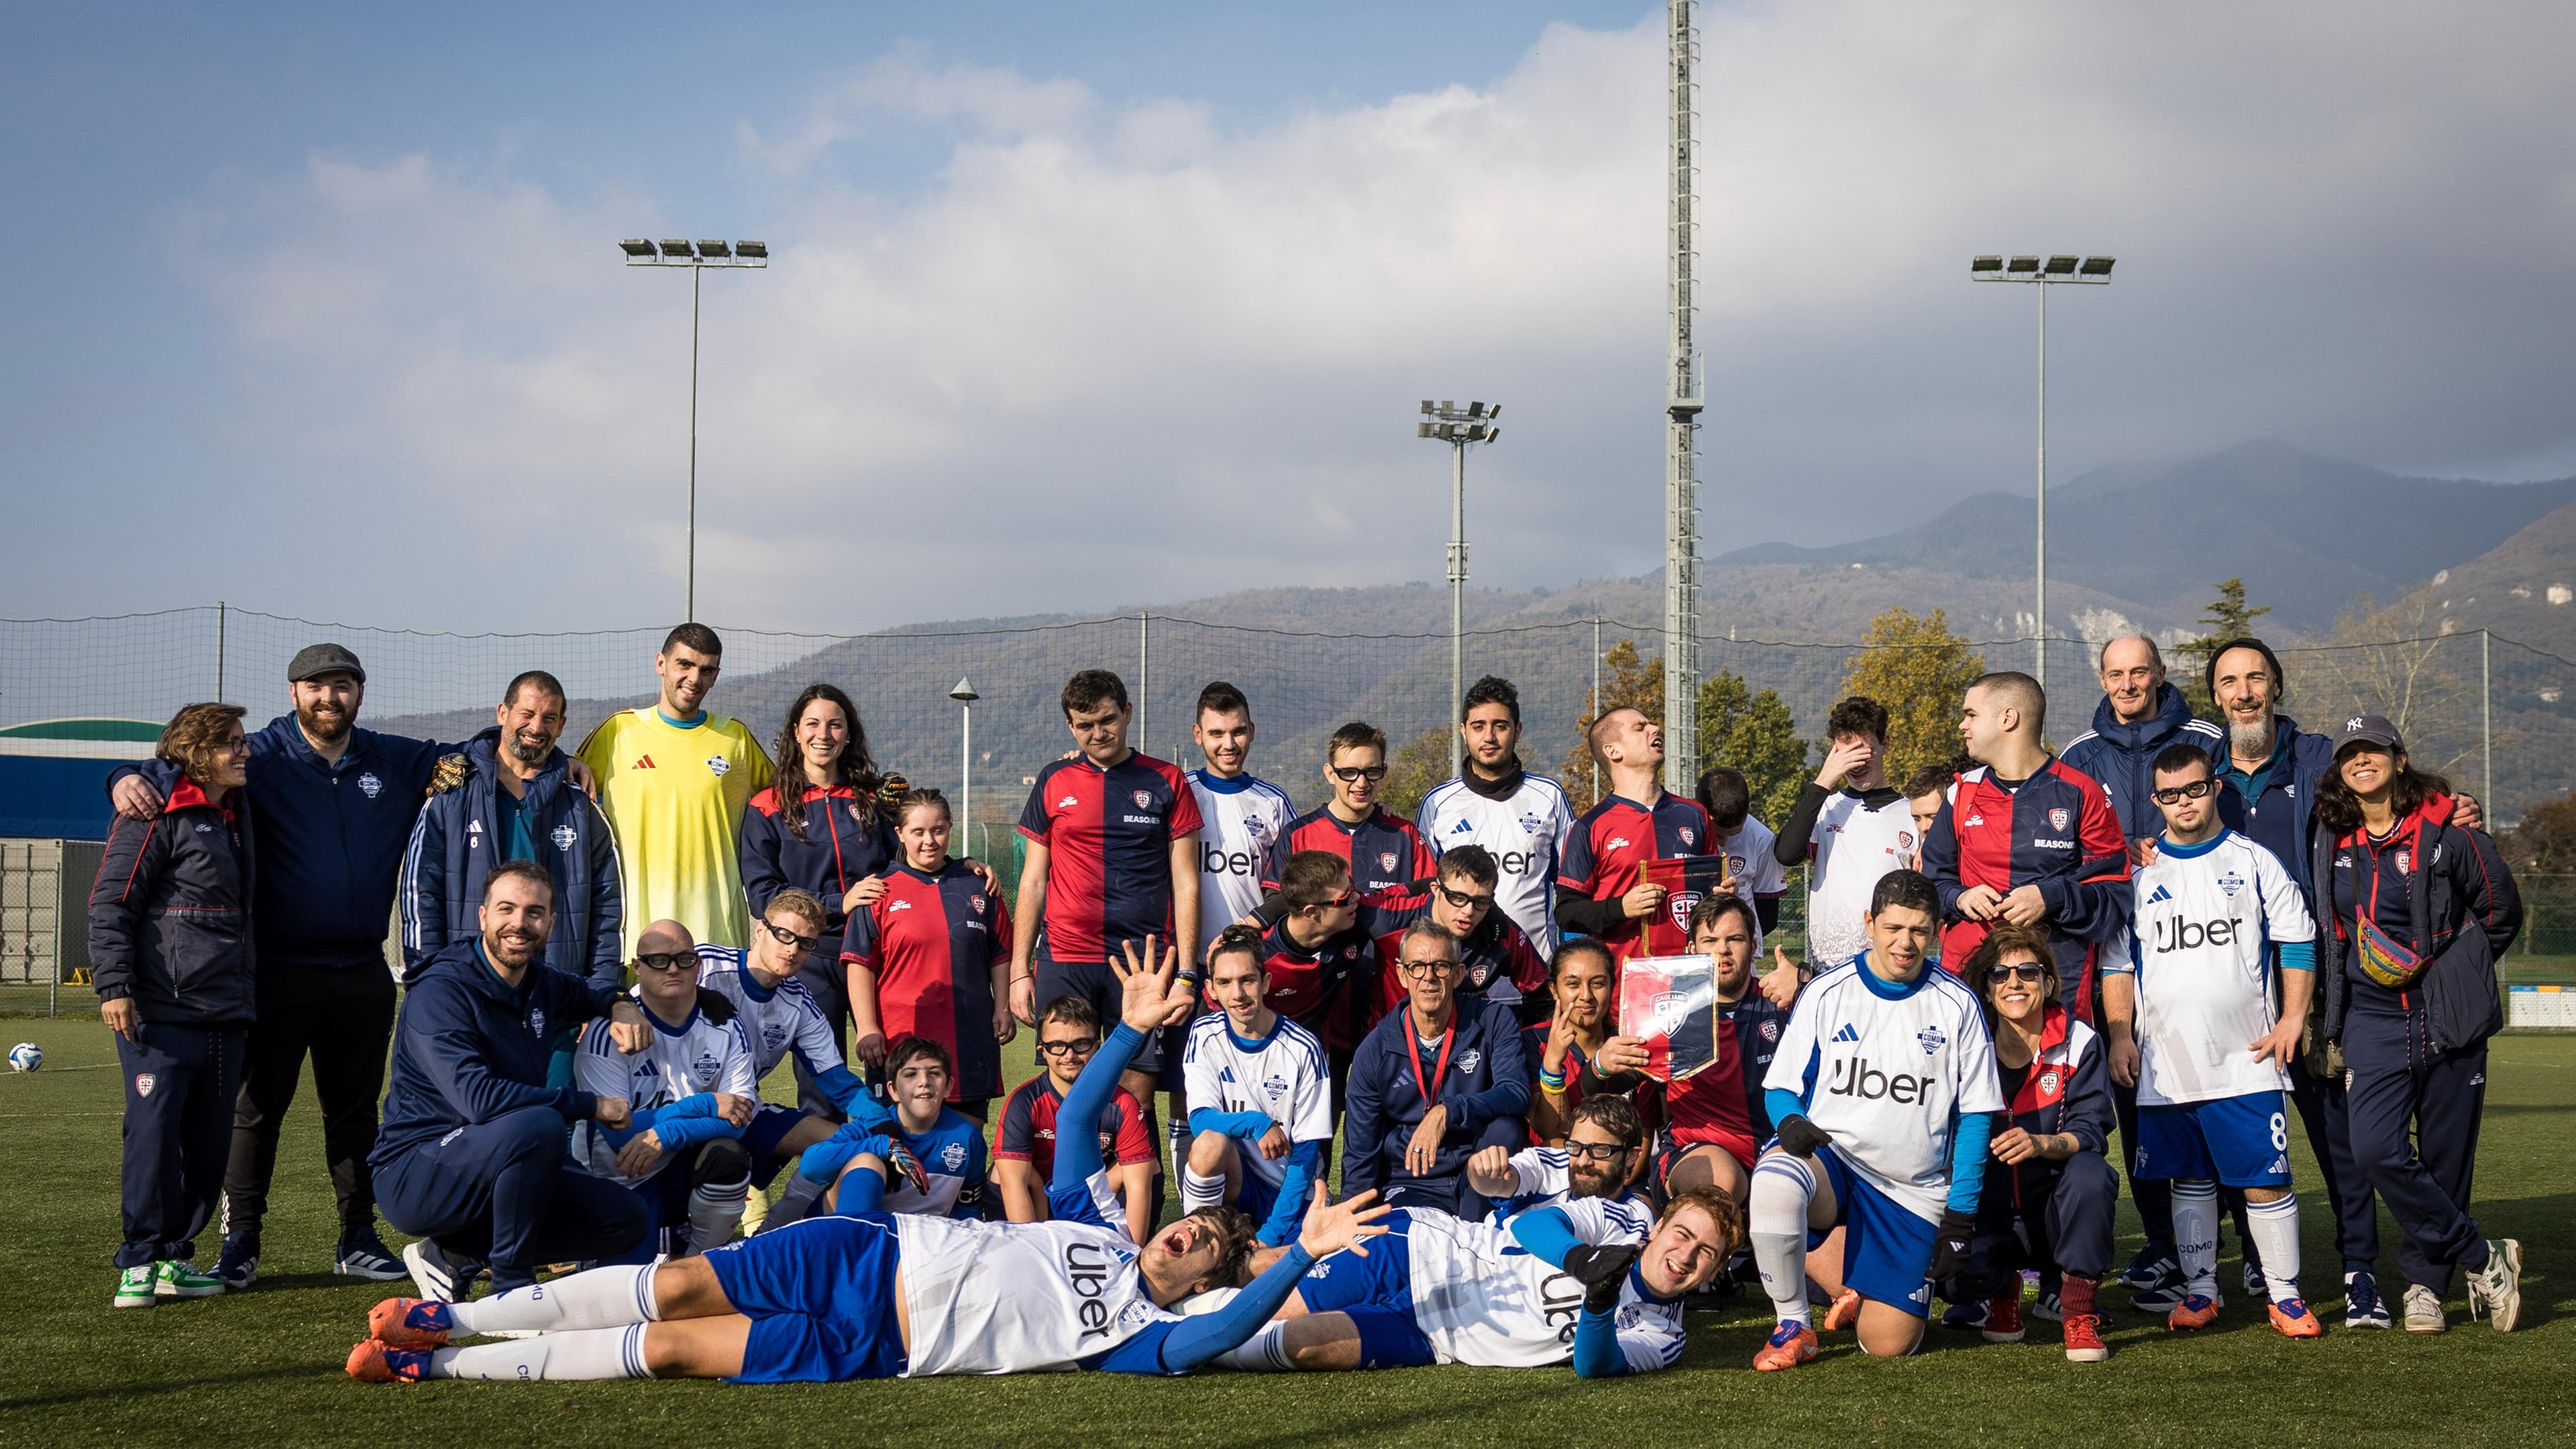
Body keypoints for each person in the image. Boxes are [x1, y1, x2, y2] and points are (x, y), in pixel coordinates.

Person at [347, 941, 1391, 1385]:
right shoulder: (1092, 1228)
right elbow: (1076, 1123)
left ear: (1201, 1279)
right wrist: (1125, 1036)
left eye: (1204, 1243)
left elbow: (1235, 1331)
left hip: (874, 1347)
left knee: (671, 1353)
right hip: (865, 1250)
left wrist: (1294, 1256)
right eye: (1199, 1221)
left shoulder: (1142, 1337)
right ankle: (460, 1319)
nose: (1192, 1229)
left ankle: (436, 1364)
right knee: (671, 1289)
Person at [108, 643, 468, 1287]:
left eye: (342, 686)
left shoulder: (389, 757)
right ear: (294, 692)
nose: (329, 698)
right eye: (316, 687)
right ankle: (241, 1242)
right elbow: (172, 768)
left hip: (362, 969)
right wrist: (118, 777)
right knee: (255, 1112)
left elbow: (466, 755)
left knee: (357, 1112)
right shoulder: (260, 755)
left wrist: (491, 747)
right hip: (275, 969)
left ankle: (357, 1237)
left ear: (360, 692)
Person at [2189, 637, 2388, 1326]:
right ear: (2214, 695)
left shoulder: (2316, 759)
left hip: (2314, 985)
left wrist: (2450, 807)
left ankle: (2361, 1268)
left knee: (2340, 1139)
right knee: (2240, 1135)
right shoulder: (2200, 770)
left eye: (2256, 679)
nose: (2244, 692)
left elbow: (2386, 787)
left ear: (2276, 686)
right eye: (2230, 682)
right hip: (2232, 994)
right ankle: (2252, 1252)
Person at [2100, 745, 2324, 1340]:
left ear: (2215, 787)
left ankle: (2287, 1297)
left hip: (2245, 1059)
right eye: (2170, 795)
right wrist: (2121, 1034)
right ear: (2156, 801)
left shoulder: (2254, 861)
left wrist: (2293, 1018)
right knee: (2190, 1179)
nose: (2184, 803)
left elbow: (2297, 941)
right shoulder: (2141, 877)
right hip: (2166, 1064)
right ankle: (2202, 1292)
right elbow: (2118, 966)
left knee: (2265, 1179)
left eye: (2194, 789)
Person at [2312, 714, 2524, 1335]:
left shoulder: (2446, 830)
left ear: (2399, 760)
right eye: (2350, 753)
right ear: (2341, 769)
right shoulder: (2332, 834)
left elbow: (2500, 911)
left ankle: (2424, 1286)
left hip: (2446, 1015)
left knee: (2444, 1158)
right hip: (2371, 1017)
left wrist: (2455, 971)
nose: (2361, 761)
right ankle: (2483, 1256)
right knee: (2377, 1150)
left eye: (2373, 750)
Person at [1748, 871, 2002, 1368]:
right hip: (1835, 1164)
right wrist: (1792, 1124)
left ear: (1935, 933)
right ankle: (1793, 1324)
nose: (1905, 943)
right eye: (1892, 928)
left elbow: (1974, 1119)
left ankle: (1861, 1281)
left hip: (1911, 1188)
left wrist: (1960, 1217)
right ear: (1869, 922)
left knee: (1887, 1345)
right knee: (1778, 1178)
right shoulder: (1826, 991)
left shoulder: (1959, 1005)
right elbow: (1780, 1088)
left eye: (1919, 930)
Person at [371, 862, 654, 1301]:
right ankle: (513, 1289)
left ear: (551, 923)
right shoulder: (441, 992)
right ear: (483, 915)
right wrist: (592, 1105)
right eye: (507, 909)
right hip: (419, 1173)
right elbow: (479, 1101)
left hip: (501, 1159)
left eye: (534, 912)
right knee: (538, 1126)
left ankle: (457, 1256)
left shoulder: (541, 983)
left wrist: (621, 1004)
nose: (519, 924)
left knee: (626, 1217)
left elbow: (592, 991)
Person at [92, 702, 258, 1307]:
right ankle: (139, 1260)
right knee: (153, 1137)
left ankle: (175, 1259)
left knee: (209, 1147)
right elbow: (112, 904)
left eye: (243, 741)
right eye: (231, 744)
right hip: (160, 1011)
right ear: (195, 752)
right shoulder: (157, 809)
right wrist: (114, 986)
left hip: (227, 1011)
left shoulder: (238, 809)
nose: (244, 752)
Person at [1230, 1187, 1737, 1377]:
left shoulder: (1665, 1336)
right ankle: (1194, 1279)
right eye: (1683, 1234)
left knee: (1301, 1346)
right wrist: (1581, 1260)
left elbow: (1593, 1365)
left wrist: (1600, 1305)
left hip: (1436, 1338)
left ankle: (1189, 1331)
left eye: (1705, 1253)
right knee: (1276, 1298)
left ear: (1714, 1273)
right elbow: (1527, 1225)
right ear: (1659, 1230)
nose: (1685, 1255)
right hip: (1423, 1252)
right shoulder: (1617, 1223)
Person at [1009, 669, 1202, 1149]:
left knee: (1130, 1101)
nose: (1098, 733)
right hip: (1066, 957)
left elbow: (1186, 882)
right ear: (1070, 727)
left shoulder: (1166, 780)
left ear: (1127, 713)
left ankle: (1135, 1221)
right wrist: (1019, 969)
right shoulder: (1055, 779)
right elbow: (1033, 881)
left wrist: (1187, 972)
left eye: (1107, 720)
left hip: (1141, 962)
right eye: (1083, 725)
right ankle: (1066, 1215)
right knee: (1064, 1096)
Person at [1949, 923, 2116, 1363]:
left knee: (2092, 1174)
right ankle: (2002, 1288)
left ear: (2047, 982)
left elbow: (2091, 1132)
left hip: (2053, 1213)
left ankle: (2078, 1311)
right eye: (2000, 975)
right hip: (1988, 1208)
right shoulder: (1965, 1044)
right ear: (1985, 989)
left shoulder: (2080, 1042)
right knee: (1953, 1280)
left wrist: (2041, 1143)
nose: (2014, 983)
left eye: (2027, 971)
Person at [1922, 672, 2131, 1020]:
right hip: (1970, 988)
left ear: (2008, 717)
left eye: (1971, 714)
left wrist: (2051, 897)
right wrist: (1959, 897)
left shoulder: (2081, 792)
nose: (1962, 725)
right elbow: (1930, 884)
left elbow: (2115, 896)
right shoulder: (1961, 793)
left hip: (2056, 990)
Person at [401, 670, 623, 987]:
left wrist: (599, 992)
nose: (536, 727)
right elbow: (422, 895)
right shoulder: (451, 796)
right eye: (527, 714)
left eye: (549, 718)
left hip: (557, 994)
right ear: (503, 713)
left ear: (561, 725)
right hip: (467, 988)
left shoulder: (581, 806)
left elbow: (608, 907)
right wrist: (430, 983)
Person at [739, 683, 897, 1115]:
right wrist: (837, 903)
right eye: (813, 724)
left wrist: (967, 866)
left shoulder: (873, 798)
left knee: (893, 1078)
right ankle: (830, 1183)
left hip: (876, 952)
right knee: (822, 1090)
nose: (823, 734)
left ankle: (893, 1174)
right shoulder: (768, 806)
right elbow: (763, 895)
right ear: (795, 732)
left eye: (835, 724)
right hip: (812, 958)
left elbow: (912, 857)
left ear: (849, 734)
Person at [576, 623, 773, 950]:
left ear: (716, 676)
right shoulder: (618, 733)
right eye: (685, 664)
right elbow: (566, 783)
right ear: (661, 664)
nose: (694, 679)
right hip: (636, 934)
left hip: (717, 934)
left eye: (706, 670)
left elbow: (787, 801)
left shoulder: (735, 739)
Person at [570, 920, 759, 1261]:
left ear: (698, 965)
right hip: (621, 1179)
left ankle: (700, 1263)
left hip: (680, 1167)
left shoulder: (727, 1025)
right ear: (638, 968)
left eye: (684, 959)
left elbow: (740, 1117)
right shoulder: (606, 1034)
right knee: (624, 1301)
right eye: (658, 960)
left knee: (728, 1156)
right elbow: (618, 1135)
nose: (673, 968)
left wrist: (668, 1133)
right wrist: (706, 1103)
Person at [693, 889, 894, 1189]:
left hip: (741, 1109)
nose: (793, 949)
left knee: (847, 1144)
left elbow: (837, 1079)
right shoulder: (706, 965)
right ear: (761, 930)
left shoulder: (798, 1002)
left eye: (805, 943)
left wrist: (883, 1124)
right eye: (784, 935)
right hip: (674, 1101)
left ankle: (779, 1224)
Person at [1177, 680, 1296, 1180]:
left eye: (1238, 732)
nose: (1229, 744)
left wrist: (1256, 922)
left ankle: (1262, 1192)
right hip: (1185, 969)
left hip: (1249, 974)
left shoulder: (1271, 803)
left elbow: (1294, 884)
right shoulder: (1180, 792)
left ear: (1253, 733)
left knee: (1253, 1081)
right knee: (1188, 1091)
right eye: (1217, 733)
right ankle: (1195, 1196)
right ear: (1198, 735)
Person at [842, 789, 1013, 1118]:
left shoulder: (979, 885)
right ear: (900, 834)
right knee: (900, 1150)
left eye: (938, 830)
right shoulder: (878, 891)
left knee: (964, 1146)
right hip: (899, 1036)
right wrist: (867, 1027)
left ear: (950, 827)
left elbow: (1000, 952)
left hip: (969, 1035)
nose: (929, 841)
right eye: (918, 832)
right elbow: (860, 964)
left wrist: (1002, 1007)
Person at [1341, 922, 1531, 1218]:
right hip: (1414, 1180)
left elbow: (1515, 1093)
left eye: (1440, 966)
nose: (1428, 977)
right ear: (1402, 974)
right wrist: (1351, 1220)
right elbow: (1360, 1152)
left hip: (1478, 1171)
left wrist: (1447, 1111)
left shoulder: (1493, 1019)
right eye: (1417, 966)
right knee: (1421, 1251)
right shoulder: (1374, 1050)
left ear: (1458, 974)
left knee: (1506, 1127)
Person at [1180, 926, 1332, 1248]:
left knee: (1277, 1278)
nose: (1238, 994)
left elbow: (1305, 1158)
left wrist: (1270, 1235)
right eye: (1225, 983)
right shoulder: (1204, 1034)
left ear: (1265, 983)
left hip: (1291, 1189)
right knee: (1209, 1145)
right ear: (1211, 989)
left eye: (1247, 980)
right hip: (1240, 1180)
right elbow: (1200, 1119)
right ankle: (1197, 1246)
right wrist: (1257, 1122)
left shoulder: (1304, 1049)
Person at [1415, 676, 1577, 956]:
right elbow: (1425, 893)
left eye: (1500, 726)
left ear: (1518, 730)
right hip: (1458, 968)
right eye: (1479, 727)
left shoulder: (1549, 796)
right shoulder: (1438, 803)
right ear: (1464, 732)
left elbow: (1571, 887)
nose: (1489, 737)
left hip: (1535, 969)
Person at [771, 1036, 990, 1223]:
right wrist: (884, 1146)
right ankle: (853, 1264)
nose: (924, 1082)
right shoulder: (873, 1129)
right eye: (911, 1074)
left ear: (948, 1087)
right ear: (893, 1090)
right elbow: (811, 1166)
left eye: (934, 1073)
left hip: (918, 1244)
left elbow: (968, 1208)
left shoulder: (967, 1137)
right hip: (844, 1235)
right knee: (866, 1161)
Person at [996, 996, 1159, 1244]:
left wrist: (1131, 1254)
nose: (1069, 1055)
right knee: (1000, 1172)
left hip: (1095, 1200)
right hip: (1040, 1199)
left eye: (1081, 1044)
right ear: (1043, 1051)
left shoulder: (1122, 1103)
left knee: (1147, 1166)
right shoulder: (1024, 1101)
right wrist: (1032, 1251)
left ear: (1098, 1046)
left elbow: (1138, 1187)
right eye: (1058, 1045)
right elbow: (1013, 1183)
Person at [1774, 697, 1919, 972]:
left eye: (1863, 751)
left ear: (1885, 743)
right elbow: (1786, 854)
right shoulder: (1826, 806)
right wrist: (1824, 780)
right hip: (1827, 967)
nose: (1856, 764)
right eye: (1845, 753)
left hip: (1888, 966)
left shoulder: (1911, 814)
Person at [1556, 707, 1711, 961]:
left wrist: (1724, 893)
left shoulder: (1694, 815)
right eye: (1640, 728)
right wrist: (1621, 908)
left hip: (1692, 975)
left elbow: (1710, 891)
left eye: (1652, 724)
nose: (1655, 729)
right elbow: (1566, 913)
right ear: (1613, 751)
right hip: (1623, 980)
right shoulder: (1590, 826)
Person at [2061, 636, 2226, 857]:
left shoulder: (2208, 742)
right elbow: (2062, 844)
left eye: (2139, 672)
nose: (2127, 686)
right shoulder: (2078, 757)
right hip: (2110, 890)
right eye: (2116, 675)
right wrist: (2118, 856)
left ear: (2160, 675)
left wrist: (2168, 852)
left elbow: (2232, 826)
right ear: (2103, 681)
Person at [1354, 845, 1549, 1024]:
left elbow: (1541, 995)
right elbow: (1342, 903)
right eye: (1458, 898)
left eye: (1480, 901)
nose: (1468, 911)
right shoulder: (1390, 917)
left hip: (1464, 1045)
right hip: (1391, 1042)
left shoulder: (1502, 933)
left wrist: (1528, 1045)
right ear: (1436, 890)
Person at [1242, 851, 1380, 1069]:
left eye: (1352, 887)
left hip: (1316, 1058)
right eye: (1345, 898)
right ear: (1312, 912)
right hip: (1259, 1061)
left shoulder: (1350, 924)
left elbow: (1413, 890)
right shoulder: (1255, 958)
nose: (1356, 898)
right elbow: (1211, 1014)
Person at [1281, 720, 1434, 896]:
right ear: (1330, 774)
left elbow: (1430, 901)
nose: (1361, 783)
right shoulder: (1297, 835)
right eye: (1349, 772)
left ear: (1384, 770)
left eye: (1372, 772)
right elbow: (1279, 902)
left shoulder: (1405, 835)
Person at [1466, 1093, 1652, 1216]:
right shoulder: (1546, 1166)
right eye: (1575, 1147)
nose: (1583, 1161)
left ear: (1631, 1157)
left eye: (1600, 1150)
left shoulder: (1638, 1215)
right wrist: (1480, 1172)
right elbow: (1500, 1183)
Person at [1523, 939, 1632, 1145]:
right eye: (1573, 984)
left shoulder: (1627, 1043)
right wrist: (1552, 1064)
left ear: (1613, 987)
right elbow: (1552, 1132)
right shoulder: (1532, 1042)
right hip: (1554, 1166)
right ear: (1554, 990)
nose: (1586, 996)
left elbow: (1644, 1134)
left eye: (1598, 984)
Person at [1697, 765, 1789, 949]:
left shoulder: (1762, 838)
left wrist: (1738, 935)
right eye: (1718, 834)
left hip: (1740, 953)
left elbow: (1768, 916)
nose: (1724, 842)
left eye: (1734, 834)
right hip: (1694, 947)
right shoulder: (1683, 832)